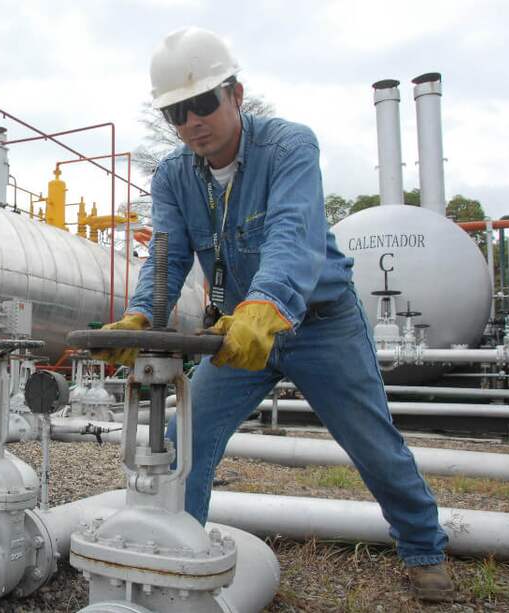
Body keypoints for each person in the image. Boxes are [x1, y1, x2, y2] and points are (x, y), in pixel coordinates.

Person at [101, 27, 454, 602]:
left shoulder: (290, 147)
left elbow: (292, 236)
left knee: (372, 442)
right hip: (241, 333)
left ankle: (423, 548)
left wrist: (264, 307)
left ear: (236, 95)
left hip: (319, 323)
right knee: (184, 437)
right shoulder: (171, 177)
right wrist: (142, 317)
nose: (191, 121)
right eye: (175, 112)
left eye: (203, 103)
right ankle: (175, 554)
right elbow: (164, 260)